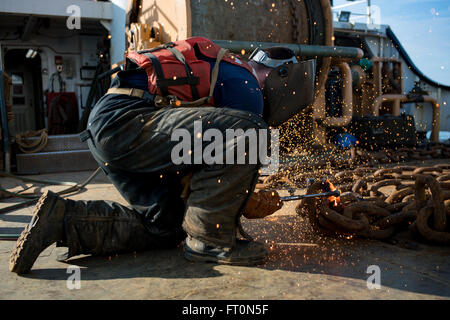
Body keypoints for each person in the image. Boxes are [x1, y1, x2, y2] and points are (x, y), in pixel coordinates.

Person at [9, 37, 314, 274]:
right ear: (281, 74)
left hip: (110, 126)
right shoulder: (248, 86)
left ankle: (61, 219)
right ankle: (211, 241)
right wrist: (244, 199)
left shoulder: (228, 68)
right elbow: (239, 145)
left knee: (165, 226)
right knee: (251, 129)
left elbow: (202, 149)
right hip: (128, 122)